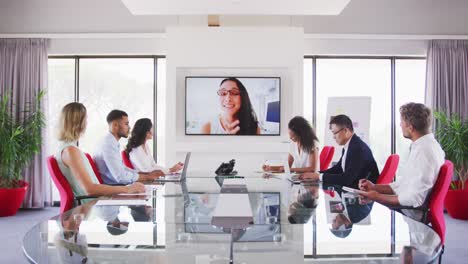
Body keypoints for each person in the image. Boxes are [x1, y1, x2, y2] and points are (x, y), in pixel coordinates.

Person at [358, 103, 445, 221]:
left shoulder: (424, 151)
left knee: (362, 214)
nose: (400, 125)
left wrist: (378, 197)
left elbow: (415, 198)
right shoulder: (424, 146)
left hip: (410, 214)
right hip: (406, 209)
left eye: (402, 122)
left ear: (410, 128)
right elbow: (405, 184)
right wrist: (375, 187)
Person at [55, 103, 145, 200]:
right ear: (78, 122)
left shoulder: (68, 148)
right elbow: (90, 189)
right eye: (85, 119)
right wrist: (127, 189)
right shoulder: (70, 151)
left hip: (97, 200)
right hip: (91, 206)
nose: (86, 123)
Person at [301, 114, 379, 188]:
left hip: (362, 196)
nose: (333, 137)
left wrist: (319, 176)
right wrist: (316, 174)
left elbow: (347, 179)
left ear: (345, 130)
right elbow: (338, 169)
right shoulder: (349, 145)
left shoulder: (358, 148)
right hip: (352, 190)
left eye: (335, 133)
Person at [94, 110, 163, 185]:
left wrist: (143, 174)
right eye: (126, 124)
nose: (129, 127)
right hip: (113, 189)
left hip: (117, 186)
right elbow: (120, 177)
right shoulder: (108, 144)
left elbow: (122, 169)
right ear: (115, 125)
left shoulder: (111, 142)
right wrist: (145, 177)